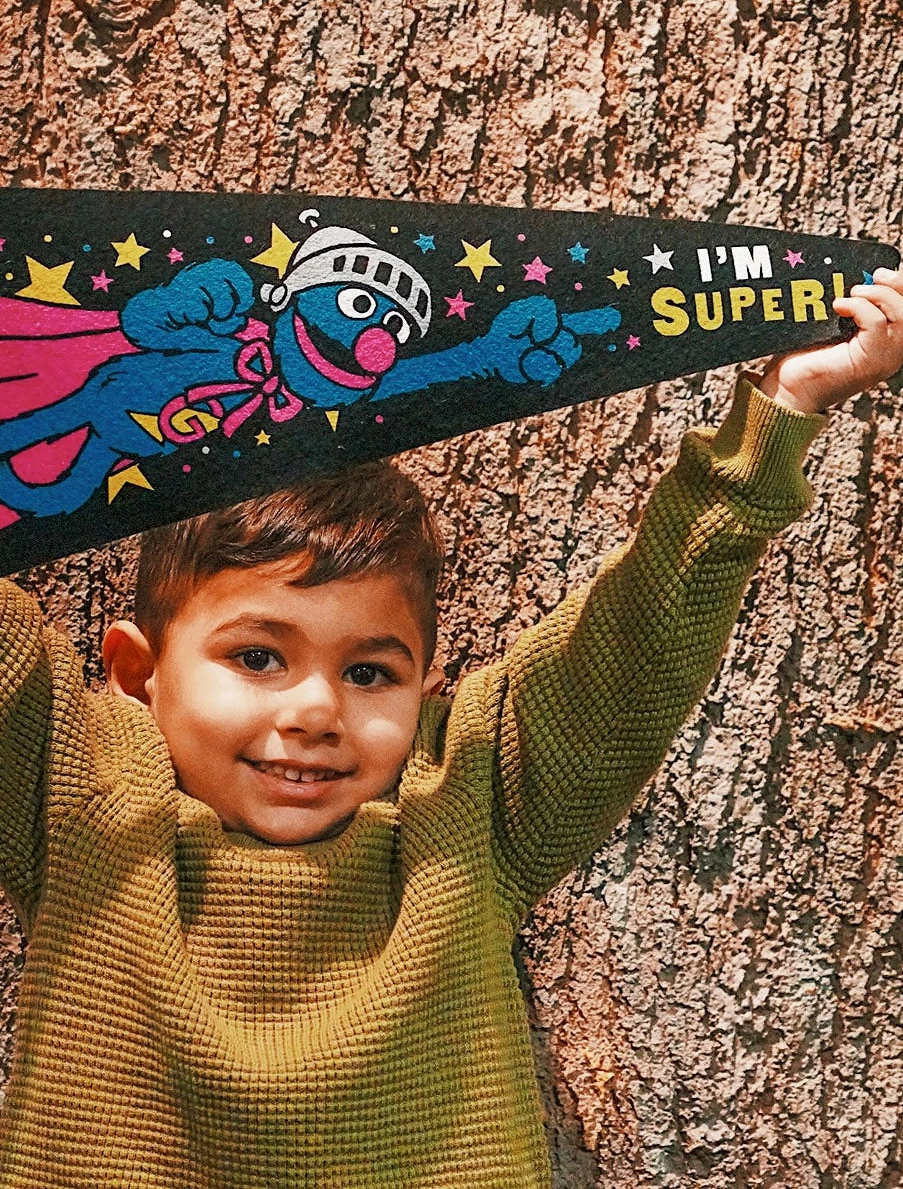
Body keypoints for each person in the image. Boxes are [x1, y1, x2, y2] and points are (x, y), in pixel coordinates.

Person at [0, 269, 900, 1188]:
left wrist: (782, 408)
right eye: (258, 657)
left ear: (426, 689)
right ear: (137, 672)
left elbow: (638, 638)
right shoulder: (71, 790)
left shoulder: (468, 799)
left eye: (368, 674)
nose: (314, 713)